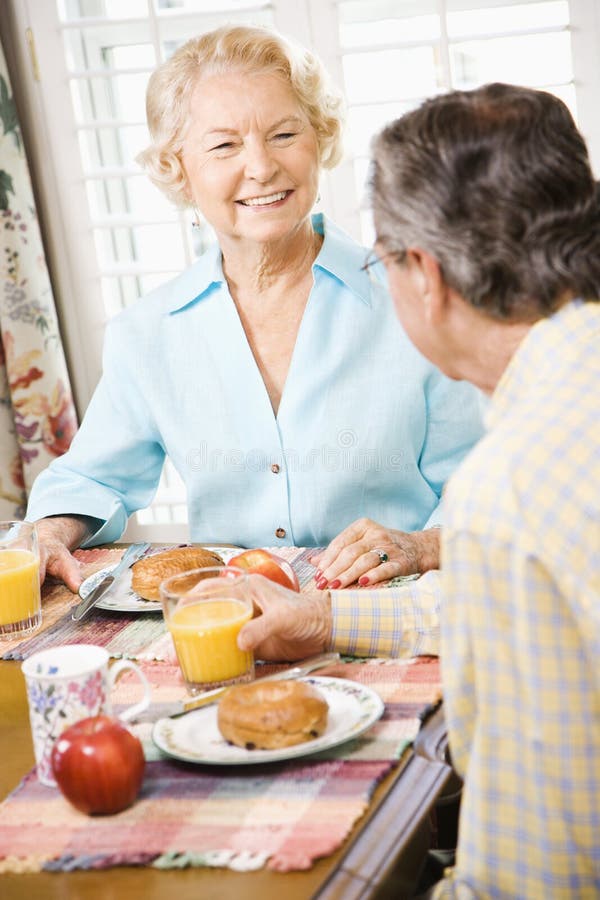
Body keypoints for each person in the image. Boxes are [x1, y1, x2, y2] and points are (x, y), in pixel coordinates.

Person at [238, 82, 600, 896]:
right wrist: (327, 616)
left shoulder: (510, 489)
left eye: (382, 259)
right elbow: (521, 596)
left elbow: (532, 878)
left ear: (424, 275)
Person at [26, 24, 483, 591]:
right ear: (179, 169)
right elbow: (92, 479)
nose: (262, 166)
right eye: (224, 145)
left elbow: (489, 482)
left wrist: (421, 545)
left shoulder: (416, 300)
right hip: (235, 623)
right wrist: (47, 535)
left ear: (321, 138)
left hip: (395, 617)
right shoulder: (147, 334)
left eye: (284, 134)